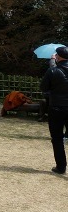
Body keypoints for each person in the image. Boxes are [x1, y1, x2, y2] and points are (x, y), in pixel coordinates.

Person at [40, 46, 68, 174]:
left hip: (56, 107)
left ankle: (61, 166)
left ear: (58, 56)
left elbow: (43, 87)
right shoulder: (54, 69)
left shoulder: (52, 71)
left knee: (57, 138)